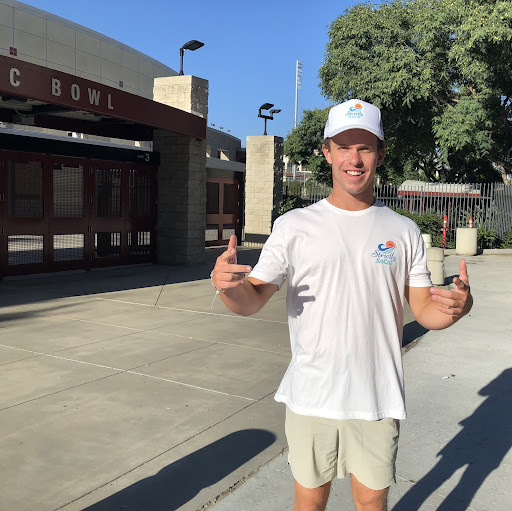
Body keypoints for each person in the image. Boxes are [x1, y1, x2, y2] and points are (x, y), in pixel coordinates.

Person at [211, 99, 473, 511]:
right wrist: (227, 286)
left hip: (376, 396)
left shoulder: (402, 231)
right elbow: (253, 298)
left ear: (380, 154)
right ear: (327, 152)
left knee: (372, 504)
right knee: (309, 503)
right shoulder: (294, 226)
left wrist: (459, 305)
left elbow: (425, 310)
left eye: (365, 147)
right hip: (312, 395)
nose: (355, 158)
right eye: (344, 146)